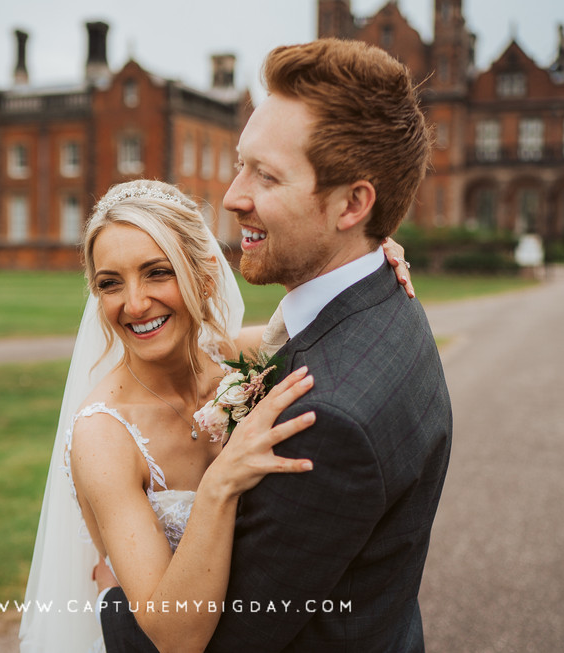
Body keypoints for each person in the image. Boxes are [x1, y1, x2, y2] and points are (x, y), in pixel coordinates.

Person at [100, 38, 452, 652]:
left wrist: (105, 599)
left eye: (266, 174)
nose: (233, 196)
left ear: (352, 204)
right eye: (242, 162)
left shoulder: (328, 417)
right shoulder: (391, 303)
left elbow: (226, 637)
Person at [18, 180, 414, 653]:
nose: (135, 303)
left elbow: (311, 314)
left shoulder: (238, 358)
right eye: (110, 283)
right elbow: (174, 635)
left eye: (157, 273)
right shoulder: (103, 436)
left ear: (205, 276)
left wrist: (367, 256)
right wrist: (220, 484)